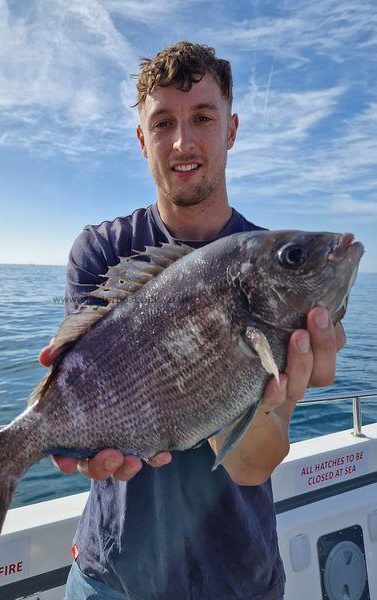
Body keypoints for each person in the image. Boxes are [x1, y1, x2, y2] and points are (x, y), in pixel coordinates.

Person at [39, 41, 345, 599]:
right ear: (141, 140)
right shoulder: (101, 251)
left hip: (236, 577)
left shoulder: (268, 266)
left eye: (203, 117)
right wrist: (62, 437)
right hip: (114, 577)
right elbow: (83, 391)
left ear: (231, 129)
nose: (183, 141)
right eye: (163, 123)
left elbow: (254, 465)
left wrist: (253, 385)